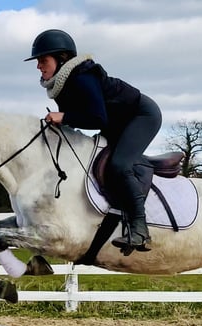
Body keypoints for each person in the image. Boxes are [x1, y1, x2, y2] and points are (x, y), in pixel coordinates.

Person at [25, 29, 162, 254]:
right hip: (117, 123)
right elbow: (76, 119)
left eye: (43, 60)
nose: (39, 66)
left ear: (61, 59)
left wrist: (65, 117)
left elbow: (97, 118)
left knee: (119, 165)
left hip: (141, 116)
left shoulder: (82, 77)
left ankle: (140, 230)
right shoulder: (61, 84)